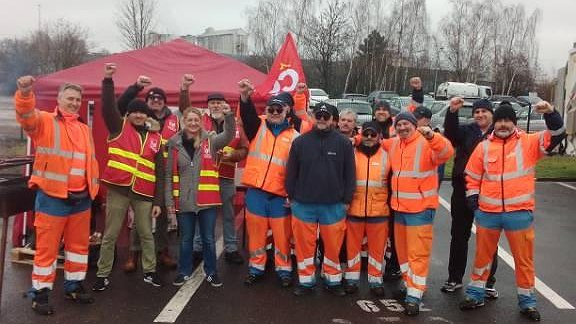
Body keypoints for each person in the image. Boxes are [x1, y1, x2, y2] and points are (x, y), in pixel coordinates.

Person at [460, 101, 565, 322]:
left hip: (519, 213)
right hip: (488, 213)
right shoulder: (484, 146)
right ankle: (475, 294)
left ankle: (527, 302)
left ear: (514, 123)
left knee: (523, 259)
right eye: (499, 120)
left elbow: (557, 134)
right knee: (482, 257)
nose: (503, 124)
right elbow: (472, 175)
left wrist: (551, 113)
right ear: (494, 123)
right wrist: (473, 201)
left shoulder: (528, 142)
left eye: (507, 120)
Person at [14, 76, 100, 315]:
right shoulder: (44, 121)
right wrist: (24, 93)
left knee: (78, 247)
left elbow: (87, 163)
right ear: (59, 99)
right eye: (70, 98)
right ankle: (40, 293)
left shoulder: (84, 128)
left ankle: (73, 285)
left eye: (77, 99)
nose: (74, 103)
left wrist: (92, 191)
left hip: (81, 198)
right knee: (47, 249)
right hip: (53, 197)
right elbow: (25, 116)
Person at [93, 63, 164, 291]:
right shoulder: (119, 127)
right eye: (135, 111)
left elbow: (160, 174)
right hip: (119, 189)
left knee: (146, 234)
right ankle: (103, 274)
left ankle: (150, 273)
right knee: (110, 234)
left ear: (147, 116)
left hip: (144, 193)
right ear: (128, 114)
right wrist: (108, 80)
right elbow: (108, 107)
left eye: (143, 112)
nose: (139, 114)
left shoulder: (156, 138)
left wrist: (158, 202)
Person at [382, 111, 454, 316]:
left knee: (418, 253)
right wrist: (358, 137)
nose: (403, 128)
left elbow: (446, 152)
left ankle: (415, 293)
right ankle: (408, 282)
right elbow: (378, 141)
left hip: (420, 209)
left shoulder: (426, 143)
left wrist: (432, 136)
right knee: (402, 252)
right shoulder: (394, 144)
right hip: (399, 208)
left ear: (414, 125)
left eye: (406, 124)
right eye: (399, 125)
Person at [177, 74, 249, 265]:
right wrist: (185, 89)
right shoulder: (200, 122)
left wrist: (232, 155)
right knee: (201, 214)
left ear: (225, 105)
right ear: (208, 106)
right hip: (203, 179)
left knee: (227, 215)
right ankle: (198, 248)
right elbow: (185, 110)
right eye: (212, 103)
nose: (216, 106)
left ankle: (231, 248)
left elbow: (244, 149)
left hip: (225, 177)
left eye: (219, 102)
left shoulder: (235, 123)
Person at [286, 103, 356, 297]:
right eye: (319, 115)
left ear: (332, 119)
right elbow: (291, 172)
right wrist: (291, 197)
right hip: (303, 204)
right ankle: (306, 282)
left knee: (333, 247)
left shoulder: (343, 143)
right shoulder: (300, 142)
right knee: (304, 246)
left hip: (333, 205)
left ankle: (332, 281)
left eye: (326, 116)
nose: (322, 119)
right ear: (313, 117)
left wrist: (346, 200)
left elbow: (350, 174)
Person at [166, 104, 235, 287]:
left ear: (201, 122)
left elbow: (228, 135)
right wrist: (168, 201)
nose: (193, 123)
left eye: (197, 120)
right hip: (184, 202)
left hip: (207, 200)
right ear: (183, 122)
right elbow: (167, 174)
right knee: (186, 239)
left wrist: (229, 117)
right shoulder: (173, 143)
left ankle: (211, 271)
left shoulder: (211, 140)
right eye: (190, 120)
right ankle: (184, 271)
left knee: (208, 239)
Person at [238, 79, 298, 288]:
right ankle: (256, 268)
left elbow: (296, 170)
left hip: (280, 196)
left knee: (282, 237)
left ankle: (284, 270)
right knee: (256, 236)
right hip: (256, 193)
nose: (274, 111)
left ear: (287, 111)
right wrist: (245, 97)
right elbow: (247, 115)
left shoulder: (295, 137)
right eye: (271, 108)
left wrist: (293, 194)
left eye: (278, 108)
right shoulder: (258, 127)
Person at [117, 75, 179, 272]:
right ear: (147, 101)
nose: (155, 101)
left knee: (160, 213)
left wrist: (185, 87)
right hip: (141, 172)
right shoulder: (137, 117)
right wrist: (135, 87)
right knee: (139, 215)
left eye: (159, 99)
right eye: (152, 98)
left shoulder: (173, 119)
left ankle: (162, 251)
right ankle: (134, 254)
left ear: (164, 102)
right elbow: (120, 105)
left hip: (164, 171)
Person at [441, 98, 499, 296]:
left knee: (488, 237)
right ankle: (454, 278)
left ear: (492, 113)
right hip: (463, 189)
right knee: (459, 235)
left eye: (484, 111)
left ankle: (488, 282)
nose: (480, 115)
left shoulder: (498, 132)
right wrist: (452, 112)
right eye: (477, 111)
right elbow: (450, 134)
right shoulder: (467, 131)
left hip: (489, 191)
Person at [344, 121, 390, 297]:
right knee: (352, 248)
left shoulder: (387, 155)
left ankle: (375, 280)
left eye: (373, 134)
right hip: (354, 209)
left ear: (379, 136)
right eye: (366, 134)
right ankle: (352, 279)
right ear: (361, 135)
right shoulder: (352, 154)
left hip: (378, 212)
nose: (369, 138)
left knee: (377, 250)